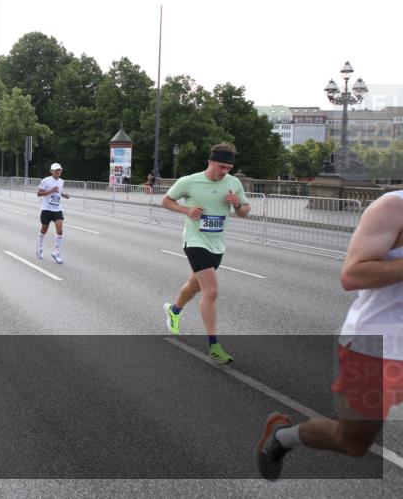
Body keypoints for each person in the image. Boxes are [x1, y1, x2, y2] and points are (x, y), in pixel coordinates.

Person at [255, 190, 403, 480]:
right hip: (377, 344)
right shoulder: (392, 207)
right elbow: (352, 275)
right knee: (353, 442)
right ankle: (283, 437)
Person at [161, 142, 250, 365]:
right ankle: (214, 345)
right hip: (194, 241)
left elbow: (245, 212)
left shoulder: (234, 183)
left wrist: (238, 203)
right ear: (210, 162)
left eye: (228, 168)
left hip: (217, 244)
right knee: (211, 291)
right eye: (221, 166)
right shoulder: (189, 181)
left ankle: (174, 310)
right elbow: (166, 200)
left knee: (194, 286)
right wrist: (186, 210)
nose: (224, 172)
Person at [36, 163, 71, 264]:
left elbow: (58, 192)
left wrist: (64, 195)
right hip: (46, 209)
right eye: (56, 170)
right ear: (51, 171)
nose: (57, 172)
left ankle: (56, 252)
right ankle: (40, 247)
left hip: (57, 209)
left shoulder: (61, 181)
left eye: (59, 170)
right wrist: (51, 190)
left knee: (60, 230)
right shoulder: (46, 180)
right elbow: (39, 193)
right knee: (44, 229)